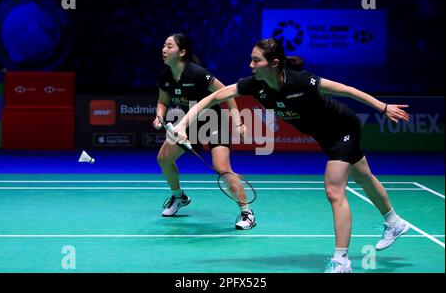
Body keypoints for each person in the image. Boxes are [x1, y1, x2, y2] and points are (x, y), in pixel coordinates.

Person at [173, 38, 411, 272]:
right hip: (323, 136)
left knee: (334, 191)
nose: (251, 65)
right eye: (251, 60)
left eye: (256, 60)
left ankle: (341, 261)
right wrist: (183, 125)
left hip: (342, 128)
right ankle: (394, 222)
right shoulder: (255, 85)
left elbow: (346, 90)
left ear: (274, 63)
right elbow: (215, 96)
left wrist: (382, 107)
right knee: (363, 177)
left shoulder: (301, 81)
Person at [152, 33, 256, 230]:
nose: (164, 50)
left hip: (214, 123)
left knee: (222, 168)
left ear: (182, 52)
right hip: (188, 125)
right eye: (164, 46)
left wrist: (238, 122)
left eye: (169, 46)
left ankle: (247, 212)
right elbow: (162, 101)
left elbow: (227, 93)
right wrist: (159, 115)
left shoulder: (197, 73)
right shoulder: (165, 77)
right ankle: (178, 197)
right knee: (163, 159)